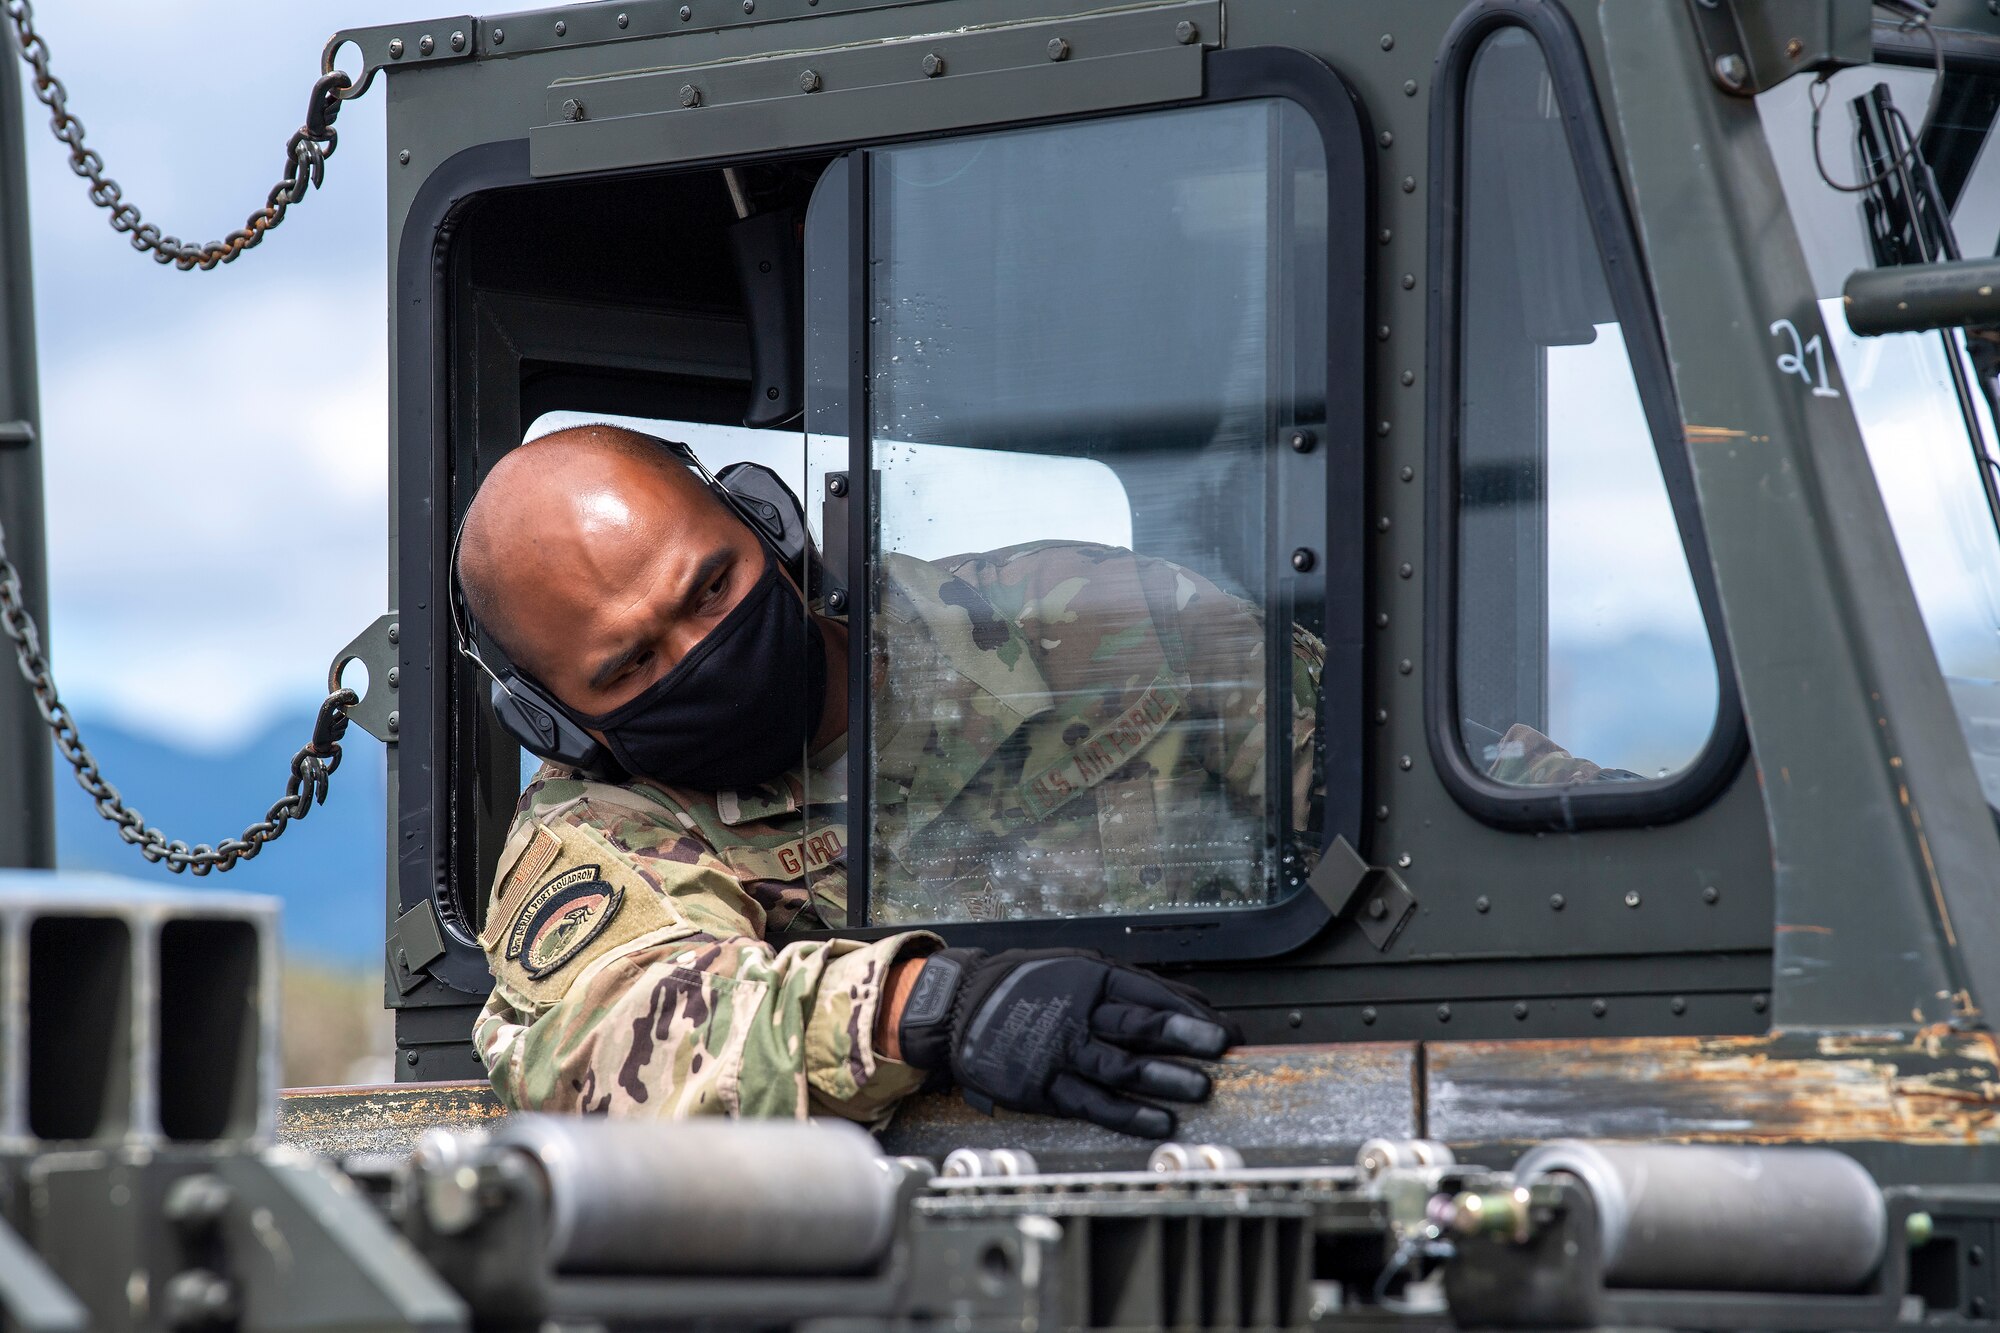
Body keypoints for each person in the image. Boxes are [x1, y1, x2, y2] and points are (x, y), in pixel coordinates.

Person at [459, 424, 1325, 1136]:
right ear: (557, 719)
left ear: (770, 521)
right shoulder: (597, 827)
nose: (702, 652)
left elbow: (1369, 807)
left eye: (713, 587)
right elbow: (616, 1039)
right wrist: (928, 1005)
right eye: (633, 664)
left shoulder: (1096, 619)